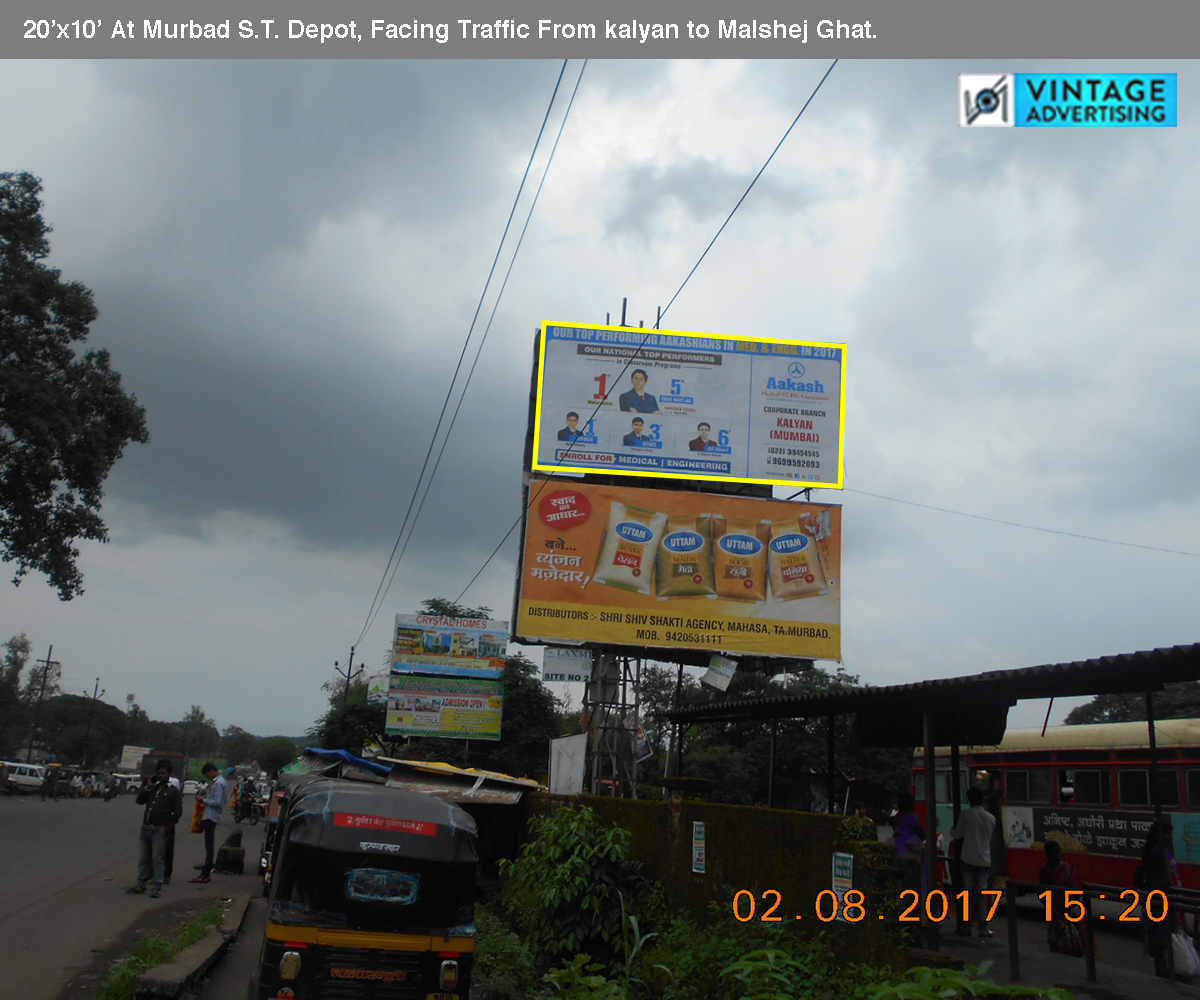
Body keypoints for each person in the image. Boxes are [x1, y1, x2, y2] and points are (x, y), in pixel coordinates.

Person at [128, 758, 182, 898]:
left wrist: (169, 826)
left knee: (157, 859)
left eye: (163, 773)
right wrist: (147, 786)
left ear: (169, 775)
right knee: (144, 858)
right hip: (146, 828)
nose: (161, 776)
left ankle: (156, 887)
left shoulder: (173, 792)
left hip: (160, 829)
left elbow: (178, 811)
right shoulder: (152, 789)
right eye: (158, 773)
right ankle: (141, 884)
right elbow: (139, 801)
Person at [951, 786, 997, 938]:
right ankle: (983, 928)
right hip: (984, 860)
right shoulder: (991, 818)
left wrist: (952, 830)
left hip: (968, 858)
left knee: (967, 893)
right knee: (982, 894)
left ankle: (966, 926)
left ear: (969, 799)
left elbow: (957, 835)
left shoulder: (966, 815)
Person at [1141, 816, 1185, 979]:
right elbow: (1164, 876)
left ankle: (1163, 966)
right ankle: (1166, 968)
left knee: (1161, 931)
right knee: (1163, 932)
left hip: (1159, 897)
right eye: (1168, 834)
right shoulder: (1159, 852)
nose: (1171, 837)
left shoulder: (1156, 848)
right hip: (1162, 897)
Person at [1040, 840, 1084, 956]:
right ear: (1047, 854)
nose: (1057, 855)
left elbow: (1072, 888)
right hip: (1054, 910)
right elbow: (1042, 893)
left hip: (1067, 908)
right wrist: (1052, 909)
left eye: (1059, 852)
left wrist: (1073, 903)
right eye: (1054, 853)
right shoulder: (1045, 871)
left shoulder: (1067, 868)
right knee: (1058, 938)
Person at [189, 762, 227, 883]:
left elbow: (218, 802)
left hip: (211, 816)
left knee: (209, 848)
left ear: (211, 771)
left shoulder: (218, 783)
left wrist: (204, 800)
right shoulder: (221, 782)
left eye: (207, 774)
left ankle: (205, 874)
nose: (208, 777)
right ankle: (205, 873)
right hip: (212, 816)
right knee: (209, 847)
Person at [890, 791, 925, 892]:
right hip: (910, 853)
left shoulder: (894, 819)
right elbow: (922, 834)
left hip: (897, 851)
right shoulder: (910, 818)